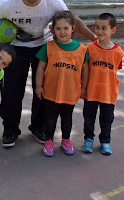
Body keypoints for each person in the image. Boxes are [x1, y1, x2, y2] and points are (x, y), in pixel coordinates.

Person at [0, 0, 97, 148]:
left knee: (43, 91)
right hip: (15, 49)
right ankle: (10, 130)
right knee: (11, 92)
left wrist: (94, 38)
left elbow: (72, 20)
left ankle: (38, 127)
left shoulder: (53, 1)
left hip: (43, 47)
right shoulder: (8, 3)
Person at [35, 11, 89, 156]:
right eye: (58, 29)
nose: (62, 32)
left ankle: (66, 140)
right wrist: (39, 86)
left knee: (67, 118)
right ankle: (49, 140)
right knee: (50, 118)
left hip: (70, 93)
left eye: (65, 28)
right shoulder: (48, 47)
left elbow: (85, 70)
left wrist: (84, 88)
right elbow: (40, 67)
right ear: (53, 30)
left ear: (73, 28)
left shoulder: (82, 49)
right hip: (51, 92)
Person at [82, 13, 124, 155]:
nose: (99, 31)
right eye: (97, 28)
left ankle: (105, 141)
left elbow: (116, 70)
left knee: (106, 119)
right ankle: (88, 139)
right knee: (89, 118)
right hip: (91, 91)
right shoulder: (89, 49)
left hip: (108, 92)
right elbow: (85, 70)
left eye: (104, 28)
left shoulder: (118, 52)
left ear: (113, 30)